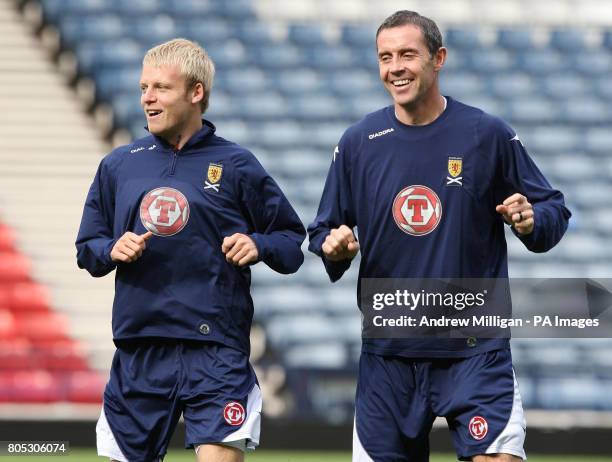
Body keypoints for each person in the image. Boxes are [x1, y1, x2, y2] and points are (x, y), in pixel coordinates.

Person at [308, 11, 571, 462]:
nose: (395, 67)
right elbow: (323, 231)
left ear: (438, 58)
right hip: (389, 354)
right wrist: (334, 248)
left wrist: (530, 221)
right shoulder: (358, 142)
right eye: (385, 57)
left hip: (475, 349)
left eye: (408, 54)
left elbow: (553, 210)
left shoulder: (485, 134)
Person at [76, 38, 306, 462]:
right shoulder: (119, 165)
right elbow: (87, 250)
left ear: (196, 92)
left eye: (161, 88)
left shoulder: (238, 165)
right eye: (144, 88)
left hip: (216, 352)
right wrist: (112, 249)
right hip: (140, 351)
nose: (148, 98)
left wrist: (257, 243)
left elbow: (291, 244)